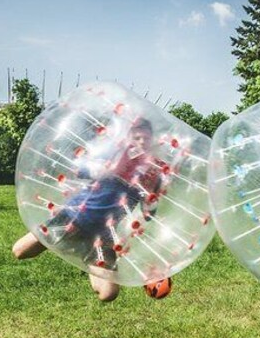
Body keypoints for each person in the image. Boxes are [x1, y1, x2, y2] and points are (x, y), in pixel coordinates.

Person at [13, 118, 171, 302]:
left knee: (108, 294)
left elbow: (149, 214)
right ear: (129, 137)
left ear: (151, 139)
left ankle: (82, 252)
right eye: (137, 137)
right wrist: (103, 168)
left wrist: (152, 195)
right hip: (74, 217)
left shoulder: (154, 170)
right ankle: (72, 244)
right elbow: (81, 171)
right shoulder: (116, 152)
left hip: (103, 234)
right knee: (19, 252)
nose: (141, 142)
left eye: (145, 138)